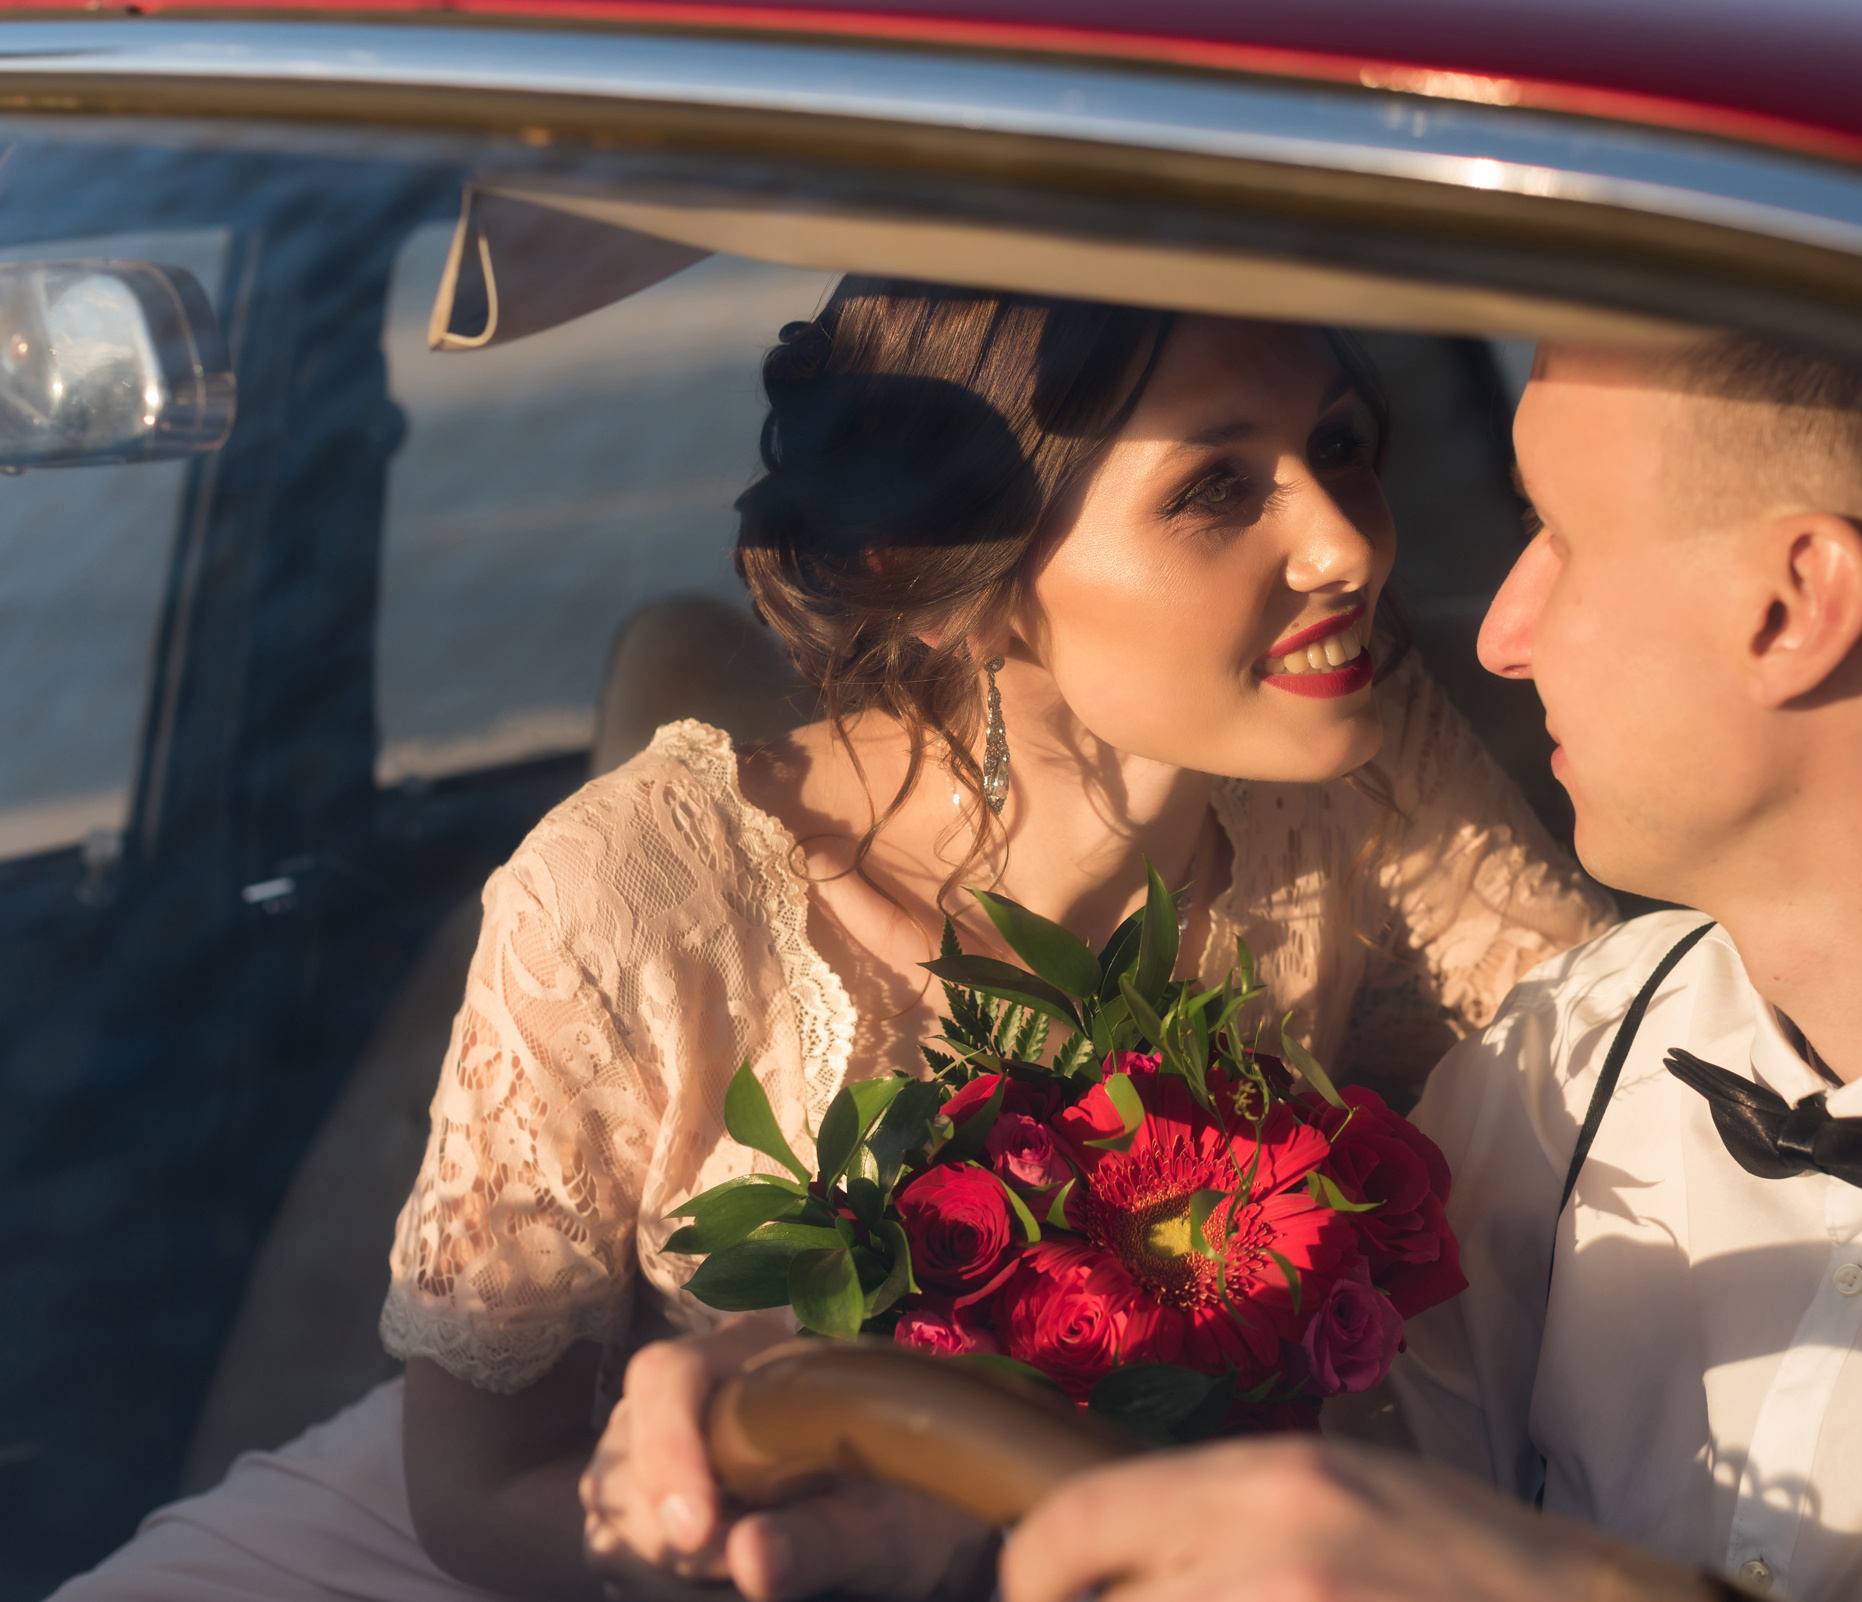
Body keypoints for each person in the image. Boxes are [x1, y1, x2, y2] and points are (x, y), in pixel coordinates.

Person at [45, 284, 1608, 1602]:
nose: (1347, 544)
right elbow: (480, 1483)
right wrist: (757, 1548)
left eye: (1342, 446)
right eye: (1217, 487)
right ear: (962, 593)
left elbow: (1608, 1062)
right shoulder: (634, 903)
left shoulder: (1357, 760)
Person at [585, 326, 1862, 1602]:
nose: (1499, 634)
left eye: (1553, 539)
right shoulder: (1562, 1068)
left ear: (1791, 607)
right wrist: (954, 1497)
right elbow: (1328, 1502)